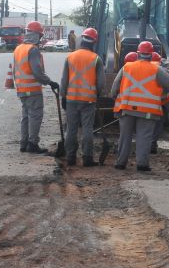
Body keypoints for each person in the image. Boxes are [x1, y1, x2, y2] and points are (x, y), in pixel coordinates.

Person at [110, 41, 169, 172]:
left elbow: (114, 88)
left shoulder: (127, 67)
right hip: (147, 111)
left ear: (138, 54)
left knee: (125, 136)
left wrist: (115, 98)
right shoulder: (157, 69)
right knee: (143, 137)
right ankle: (142, 164)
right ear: (151, 55)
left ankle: (120, 163)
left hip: (126, 108)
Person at [60, 27, 104, 167]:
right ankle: (87, 158)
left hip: (71, 99)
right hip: (89, 100)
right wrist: (97, 94)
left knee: (71, 129)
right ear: (94, 42)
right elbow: (101, 83)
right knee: (87, 129)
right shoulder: (96, 59)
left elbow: (64, 80)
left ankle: (71, 157)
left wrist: (63, 96)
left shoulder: (70, 57)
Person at [13, 20, 59, 154]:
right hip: (32, 90)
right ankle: (32, 143)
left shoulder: (18, 48)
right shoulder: (32, 50)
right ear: (35, 35)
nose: (40, 38)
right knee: (35, 116)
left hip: (22, 89)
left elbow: (15, 70)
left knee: (26, 116)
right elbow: (37, 71)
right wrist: (50, 82)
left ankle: (24, 143)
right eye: (40, 35)